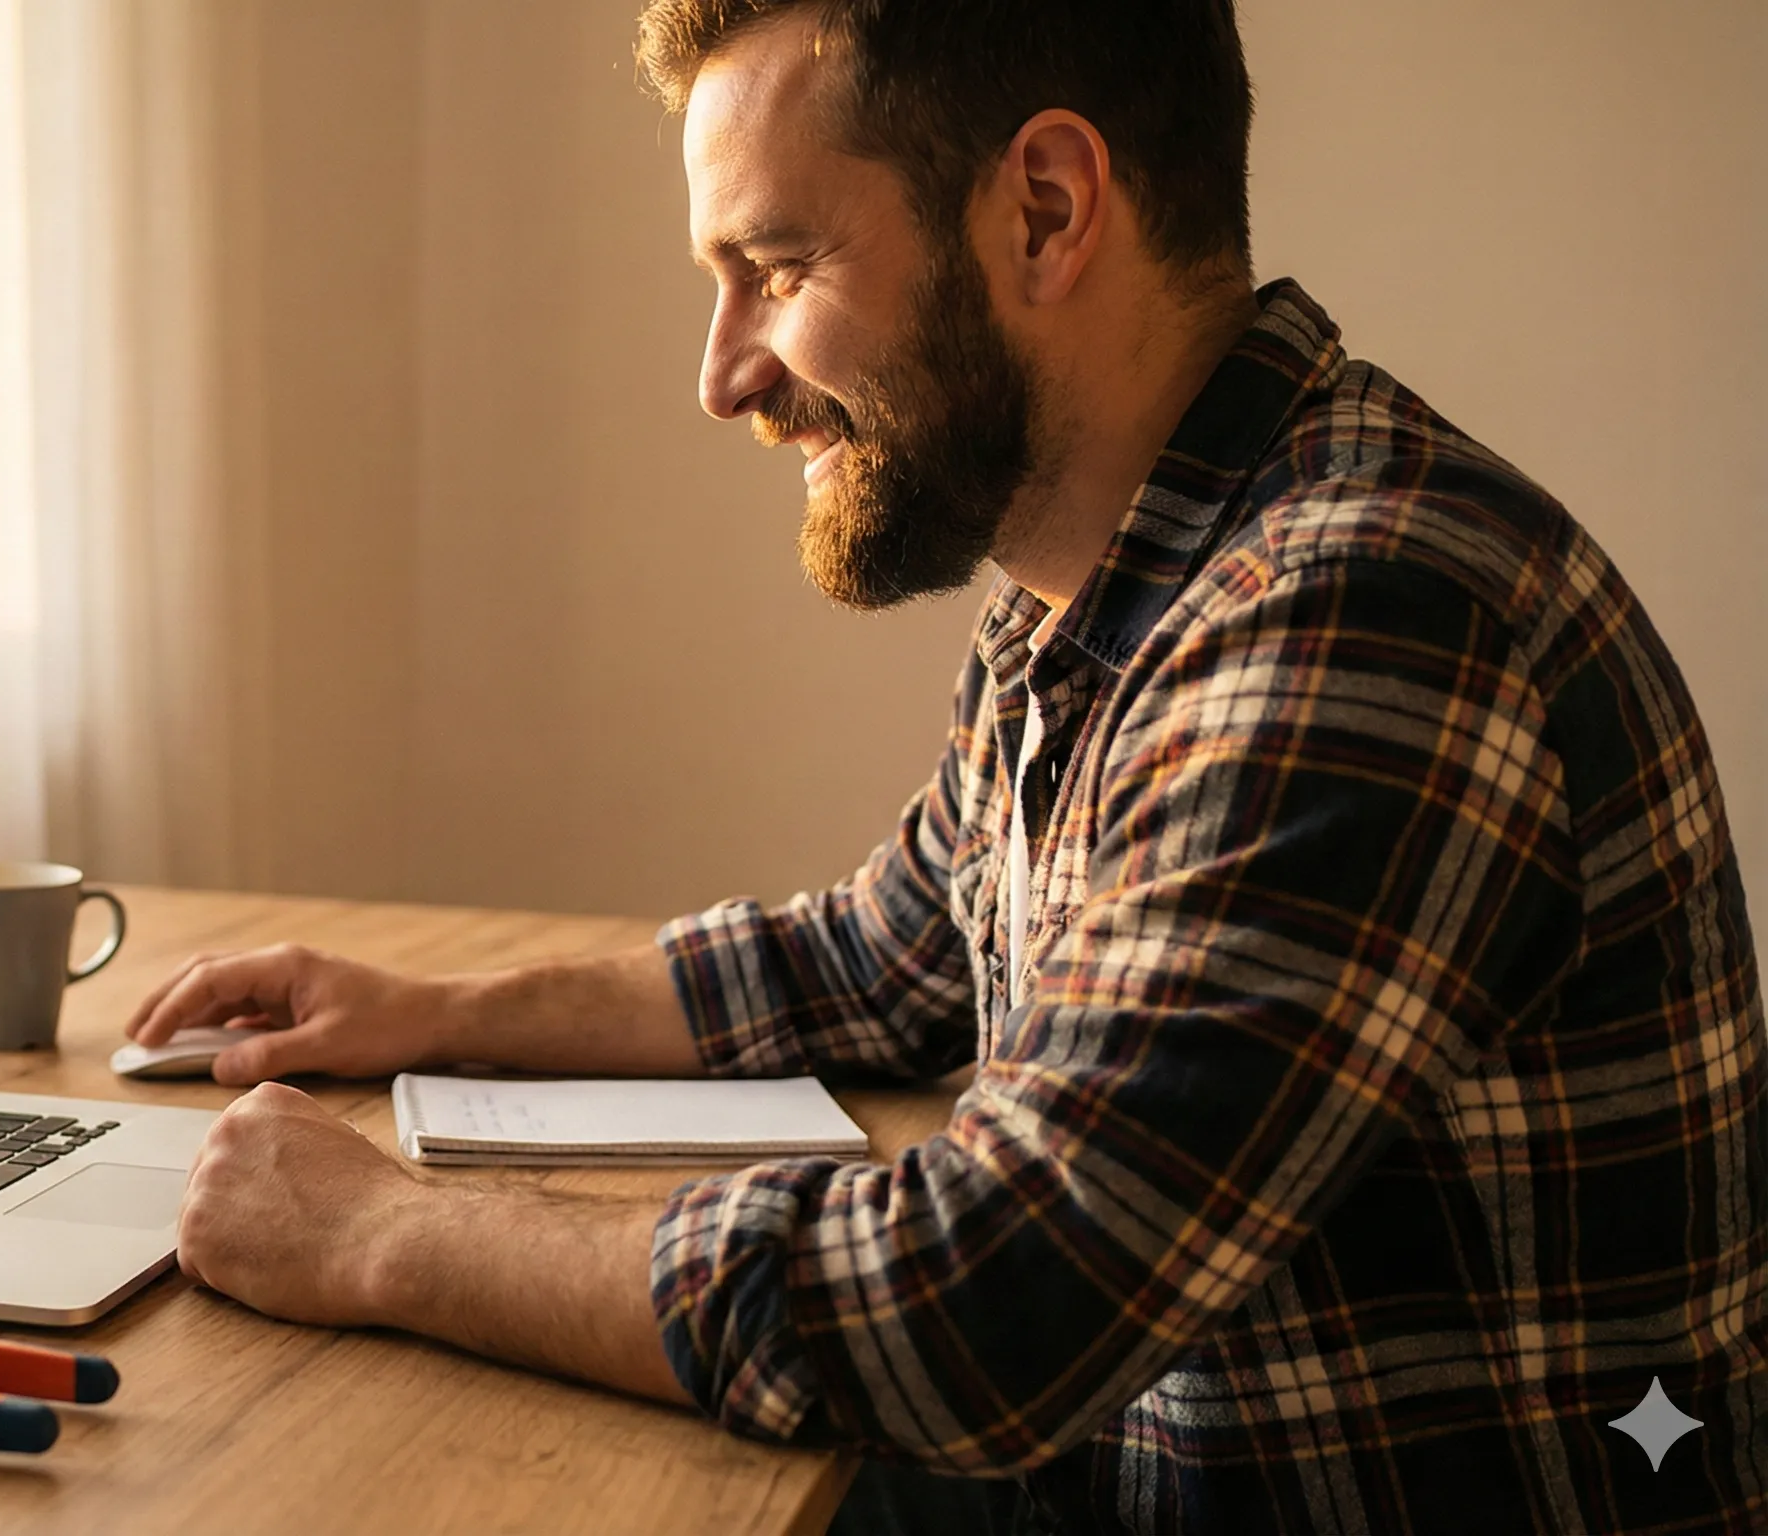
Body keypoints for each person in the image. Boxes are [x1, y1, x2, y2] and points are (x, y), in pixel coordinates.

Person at [127, 2, 1768, 1532]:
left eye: (774, 263)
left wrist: (380, 1231)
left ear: (1046, 209)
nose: (724, 376)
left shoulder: (1364, 617)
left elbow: (986, 1304)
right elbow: (879, 961)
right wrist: (429, 1017)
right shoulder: (1109, 590)